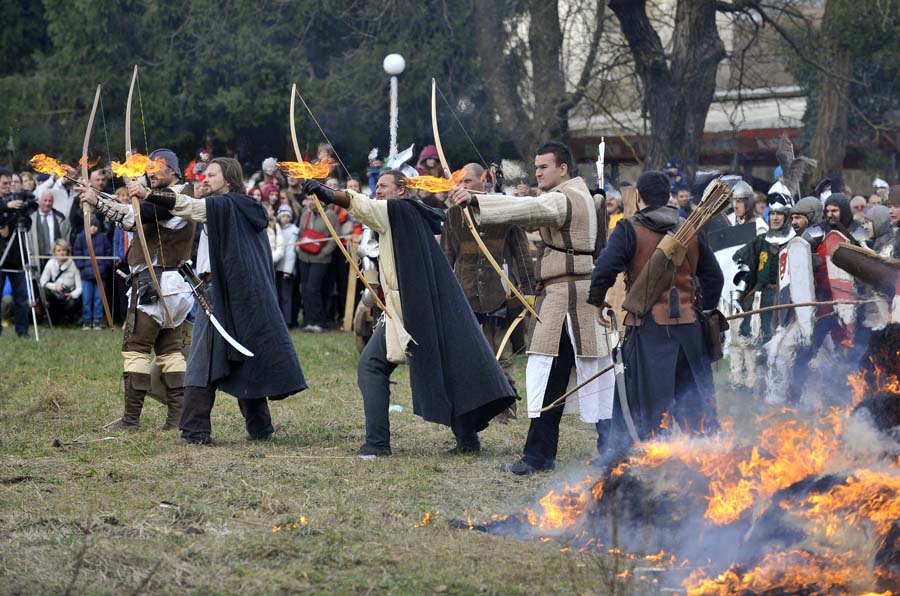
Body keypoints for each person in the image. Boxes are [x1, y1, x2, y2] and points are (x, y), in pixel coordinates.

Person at [304, 170, 515, 457]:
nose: (378, 190)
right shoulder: (406, 214)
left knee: (372, 366)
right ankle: (467, 440)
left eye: (385, 186)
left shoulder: (397, 210)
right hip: (420, 307)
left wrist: (330, 194)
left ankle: (377, 444)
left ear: (401, 190)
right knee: (447, 367)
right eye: (376, 186)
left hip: (411, 311)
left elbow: (363, 207)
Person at [448, 142, 614, 474]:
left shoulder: (564, 197)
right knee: (557, 378)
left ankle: (605, 453)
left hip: (570, 301)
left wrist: (476, 199)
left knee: (588, 379)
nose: (537, 172)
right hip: (566, 299)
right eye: (536, 167)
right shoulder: (574, 194)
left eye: (544, 167)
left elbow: (528, 209)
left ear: (563, 169)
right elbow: (531, 215)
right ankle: (551, 455)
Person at [127, 157, 306, 444]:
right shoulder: (237, 207)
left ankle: (195, 431)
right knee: (242, 357)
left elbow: (190, 208)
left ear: (229, 180)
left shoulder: (229, 205)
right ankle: (260, 427)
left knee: (201, 361)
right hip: (231, 294)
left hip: (223, 296)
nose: (204, 179)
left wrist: (149, 194)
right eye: (204, 175)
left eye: (211, 175)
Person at [588, 170, 724, 451]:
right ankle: (703, 459)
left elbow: (603, 269)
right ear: (668, 197)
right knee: (695, 407)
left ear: (638, 197)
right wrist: (703, 311)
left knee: (647, 408)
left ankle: (650, 462)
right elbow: (714, 278)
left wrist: (597, 300)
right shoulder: (690, 229)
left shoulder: (628, 229)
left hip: (648, 331)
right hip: (690, 331)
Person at [79, 149, 196, 431]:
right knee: (169, 351)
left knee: (136, 349)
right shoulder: (174, 195)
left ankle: (131, 420)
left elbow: (135, 217)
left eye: (156, 169)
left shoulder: (174, 196)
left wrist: (98, 202)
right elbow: (136, 211)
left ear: (172, 170)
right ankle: (177, 417)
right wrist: (101, 200)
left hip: (158, 286)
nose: (151, 174)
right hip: (172, 287)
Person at [440, 163, 534, 421]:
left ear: (484, 181)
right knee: (469, 353)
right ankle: (475, 407)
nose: (463, 186)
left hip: (498, 293)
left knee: (501, 353)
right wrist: (443, 293)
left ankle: (506, 407)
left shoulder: (504, 211)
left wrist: (528, 291)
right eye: (460, 182)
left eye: (468, 181)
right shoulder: (453, 215)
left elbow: (522, 255)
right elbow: (446, 256)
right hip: (465, 293)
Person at [296, 198, 339, 333]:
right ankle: (309, 321)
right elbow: (301, 233)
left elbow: (335, 237)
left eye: (313, 199)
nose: (310, 202)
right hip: (304, 257)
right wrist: (298, 248)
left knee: (313, 288)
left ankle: (320, 322)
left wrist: (325, 252)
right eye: (308, 199)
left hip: (320, 259)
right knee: (305, 289)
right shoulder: (305, 214)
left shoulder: (330, 215)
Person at [0, 168, 30, 338]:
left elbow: (27, 221)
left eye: (9, 183)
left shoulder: (16, 199)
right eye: (4, 183)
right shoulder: (6, 203)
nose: (7, 186)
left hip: (17, 255)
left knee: (21, 296)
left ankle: (23, 331)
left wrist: (20, 215)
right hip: (1, 255)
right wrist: (6, 207)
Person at [73, 215, 112, 329]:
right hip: (86, 275)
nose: (93, 228)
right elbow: (77, 252)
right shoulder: (80, 237)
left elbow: (108, 252)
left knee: (99, 299)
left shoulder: (103, 238)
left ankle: (97, 321)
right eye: (91, 226)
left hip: (101, 274)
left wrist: (105, 266)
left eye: (95, 226)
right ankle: (86, 321)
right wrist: (82, 267)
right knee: (86, 299)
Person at [39, 238, 81, 325]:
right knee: (44, 293)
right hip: (54, 295)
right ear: (54, 252)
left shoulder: (73, 265)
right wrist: (55, 286)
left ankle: (68, 318)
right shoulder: (50, 263)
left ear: (67, 252)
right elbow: (42, 282)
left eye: (64, 250)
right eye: (58, 250)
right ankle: (49, 318)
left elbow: (80, 288)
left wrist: (72, 295)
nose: (61, 253)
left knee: (73, 303)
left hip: (68, 296)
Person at [28, 189, 71, 272]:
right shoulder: (31, 219)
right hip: (37, 260)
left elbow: (66, 240)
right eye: (45, 200)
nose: (47, 203)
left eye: (50, 201)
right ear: (39, 201)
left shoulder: (61, 218)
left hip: (57, 260)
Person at [274, 205, 298, 325]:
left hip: (285, 270)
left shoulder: (293, 230)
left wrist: (288, 270)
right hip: (276, 267)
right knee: (277, 295)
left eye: (287, 216)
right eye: (283, 216)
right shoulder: (277, 229)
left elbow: (290, 252)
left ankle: (287, 320)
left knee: (286, 296)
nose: (285, 219)